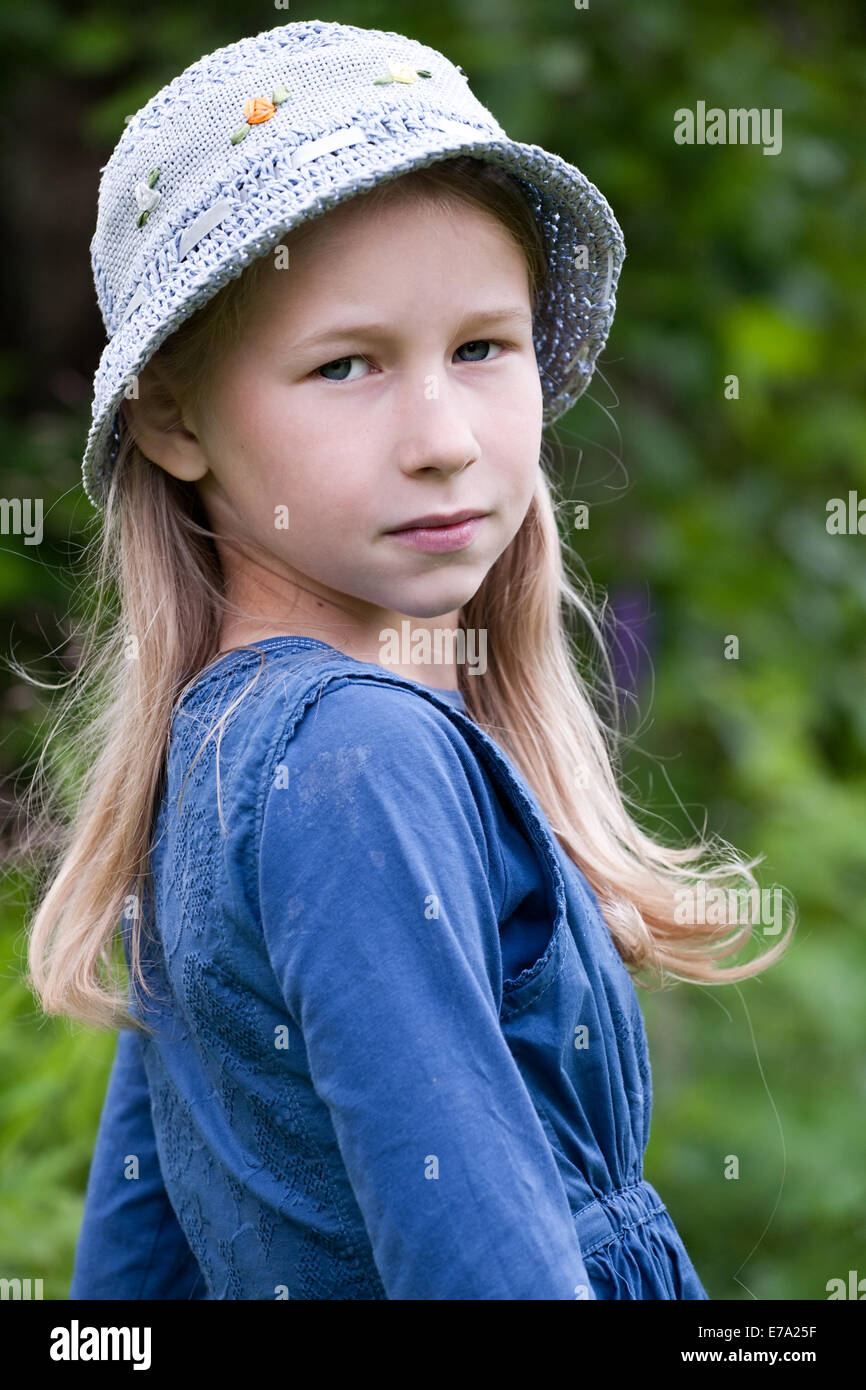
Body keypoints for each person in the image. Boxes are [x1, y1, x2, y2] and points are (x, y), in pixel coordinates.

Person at [25, 19, 795, 1300]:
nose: (441, 437)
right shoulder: (355, 761)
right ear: (173, 415)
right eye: (346, 364)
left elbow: (130, 1280)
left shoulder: (229, 760)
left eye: (483, 347)